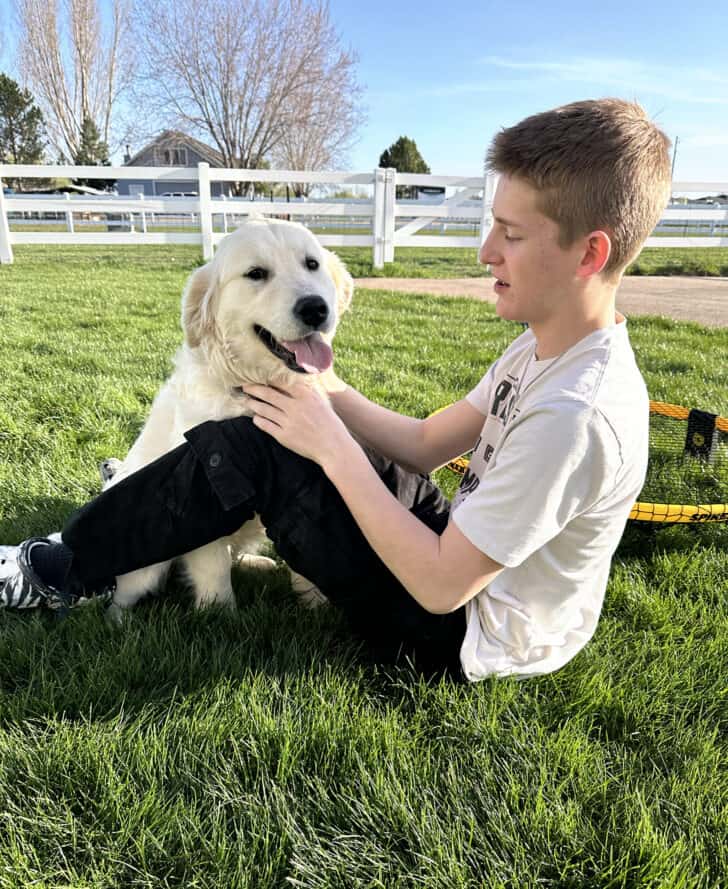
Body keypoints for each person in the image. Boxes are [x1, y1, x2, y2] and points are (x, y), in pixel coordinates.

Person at [0, 98, 671, 680]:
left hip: (462, 629)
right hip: (457, 539)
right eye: (493, 222)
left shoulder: (575, 413)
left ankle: (60, 568)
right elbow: (424, 445)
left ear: (590, 254)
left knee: (257, 447)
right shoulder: (546, 344)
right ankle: (138, 498)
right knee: (278, 423)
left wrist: (331, 447)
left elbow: (439, 587)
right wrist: (321, 386)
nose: (485, 249)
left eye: (512, 233)